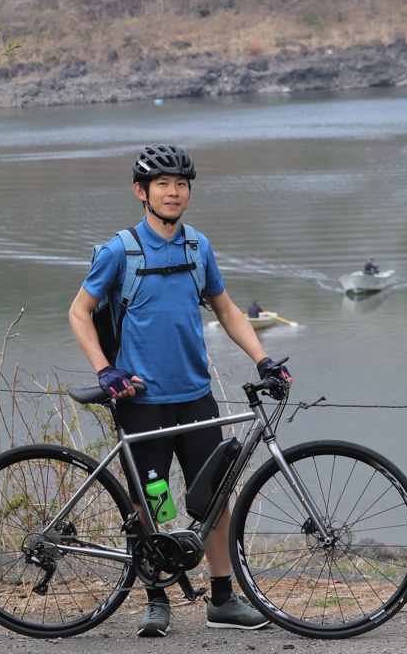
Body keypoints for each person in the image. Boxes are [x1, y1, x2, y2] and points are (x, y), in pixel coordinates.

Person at [68, 144, 289, 638]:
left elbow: (228, 310)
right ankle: (155, 599)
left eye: (181, 184)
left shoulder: (197, 247)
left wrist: (263, 359)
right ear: (140, 192)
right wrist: (106, 370)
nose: (173, 192)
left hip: (195, 395)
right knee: (150, 500)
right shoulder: (119, 250)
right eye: (162, 184)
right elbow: (78, 312)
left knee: (214, 498)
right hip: (140, 400)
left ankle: (224, 599)